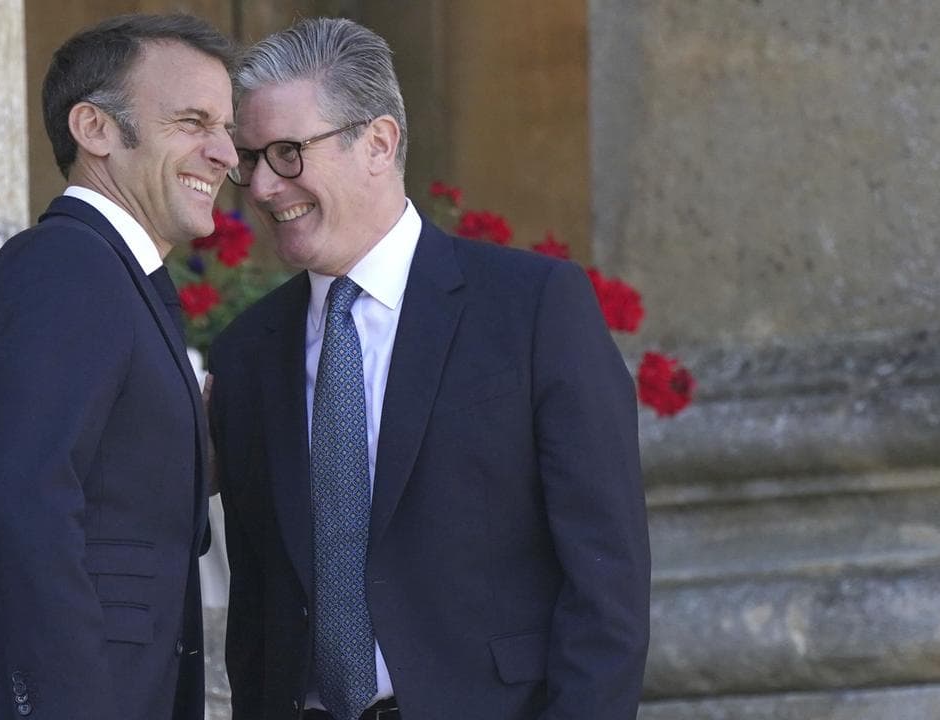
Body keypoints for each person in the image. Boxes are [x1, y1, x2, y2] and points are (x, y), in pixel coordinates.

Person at [208, 17, 650, 720]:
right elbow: (259, 609)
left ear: (378, 143)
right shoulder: (245, 354)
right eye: (249, 156)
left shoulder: (532, 310)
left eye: (288, 152)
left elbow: (606, 584)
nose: (261, 185)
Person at [0, 13, 237, 720]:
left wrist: (192, 458)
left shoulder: (113, 276)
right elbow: (31, 505)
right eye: (194, 122)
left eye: (226, 128)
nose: (226, 153)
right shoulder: (68, 266)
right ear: (96, 129)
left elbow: (102, 500)